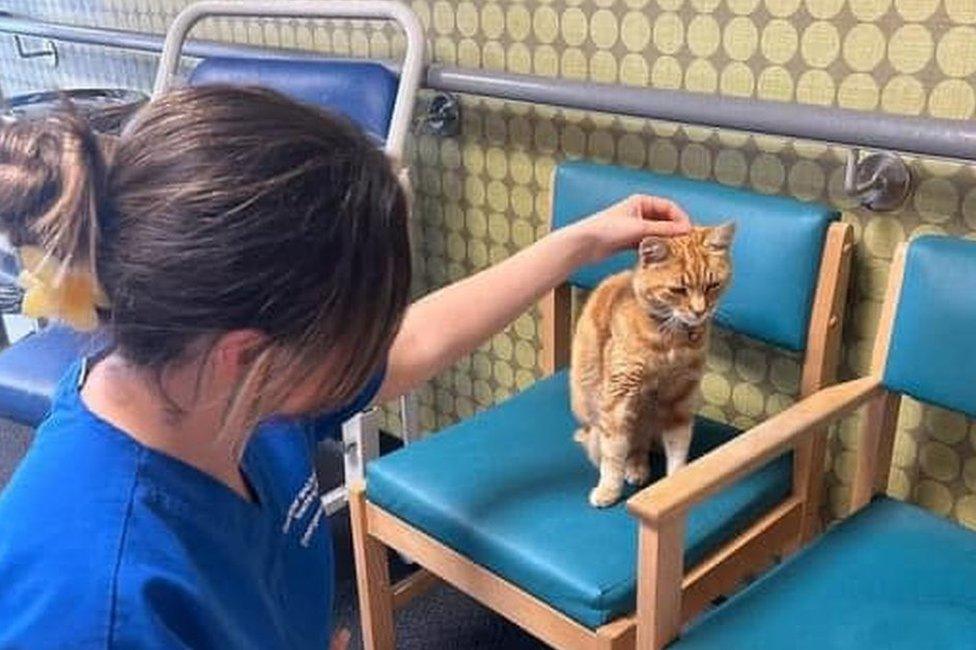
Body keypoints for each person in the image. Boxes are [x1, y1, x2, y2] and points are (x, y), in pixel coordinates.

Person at [0, 85, 690, 649]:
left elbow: (416, 343)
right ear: (248, 355)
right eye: (354, 334)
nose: (373, 347)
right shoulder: (95, 606)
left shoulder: (212, 385)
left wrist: (583, 240)